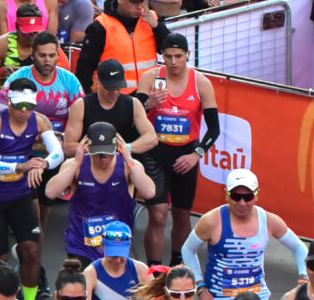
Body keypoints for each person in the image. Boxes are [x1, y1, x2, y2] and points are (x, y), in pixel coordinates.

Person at [181, 168, 309, 300]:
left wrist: (303, 280)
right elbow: (187, 250)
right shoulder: (211, 221)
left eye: (247, 197)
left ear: (256, 195)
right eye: (236, 196)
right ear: (226, 194)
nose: (242, 203)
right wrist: (201, 288)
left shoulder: (268, 220)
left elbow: (299, 247)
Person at [0, 77, 63, 300]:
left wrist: (43, 164)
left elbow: (58, 153)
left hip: (19, 194)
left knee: (32, 249)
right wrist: (22, 166)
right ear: (10, 103)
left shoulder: (40, 120)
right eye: (20, 106)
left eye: (30, 106)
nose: (25, 111)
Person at [137, 32, 220, 266]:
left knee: (182, 217)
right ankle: (154, 272)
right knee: (157, 214)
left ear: (188, 56)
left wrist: (197, 155)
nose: (173, 62)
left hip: (186, 154)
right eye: (168, 56)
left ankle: (177, 266)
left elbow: (214, 129)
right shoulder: (150, 78)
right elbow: (133, 116)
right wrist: (148, 103)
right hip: (155, 153)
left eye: (178, 56)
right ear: (161, 56)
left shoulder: (200, 82)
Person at [46, 122, 154, 264]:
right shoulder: (74, 165)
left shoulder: (129, 166)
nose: (103, 158)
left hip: (116, 244)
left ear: (116, 147)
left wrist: (128, 159)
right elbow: (50, 192)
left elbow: (150, 192)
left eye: (108, 152)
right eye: (98, 153)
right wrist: (76, 163)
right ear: (88, 147)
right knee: (82, 285)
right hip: (81, 243)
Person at [74, 0, 168, 93]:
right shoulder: (101, 26)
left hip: (149, 95)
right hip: (115, 98)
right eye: (134, 2)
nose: (139, 6)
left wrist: (157, 27)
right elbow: (84, 69)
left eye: (141, 1)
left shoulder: (152, 19)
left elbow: (169, 49)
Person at [62, 58, 157, 160]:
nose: (115, 93)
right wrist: (98, 150)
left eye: (119, 88)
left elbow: (151, 138)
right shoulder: (81, 106)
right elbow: (68, 147)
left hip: (124, 162)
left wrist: (125, 148)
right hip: (91, 162)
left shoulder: (133, 104)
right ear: (98, 81)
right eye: (110, 89)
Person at [81, 222, 149, 300]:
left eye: (121, 255)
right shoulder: (91, 273)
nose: (117, 260)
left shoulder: (140, 269)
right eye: (112, 254)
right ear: (102, 247)